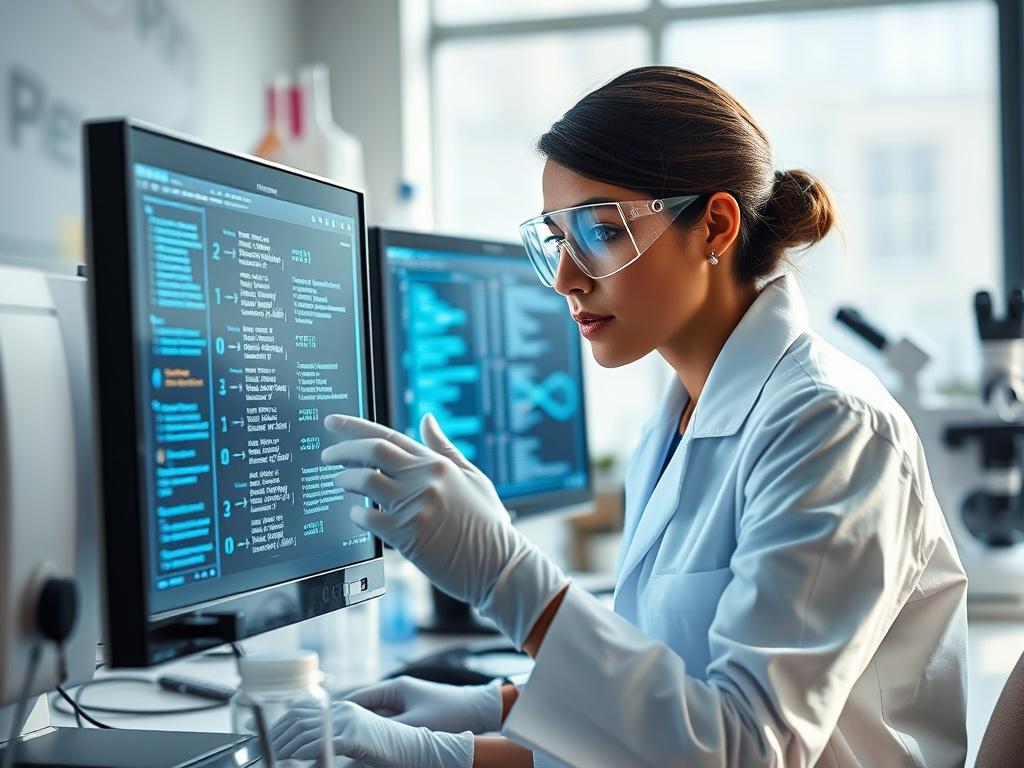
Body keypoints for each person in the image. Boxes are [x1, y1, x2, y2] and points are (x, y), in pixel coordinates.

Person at [273, 66, 968, 767]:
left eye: (601, 231)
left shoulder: (829, 429)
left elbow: (745, 751)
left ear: (715, 227)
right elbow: (664, 722)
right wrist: (491, 716)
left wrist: (506, 576)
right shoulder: (673, 426)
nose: (568, 278)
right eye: (556, 240)